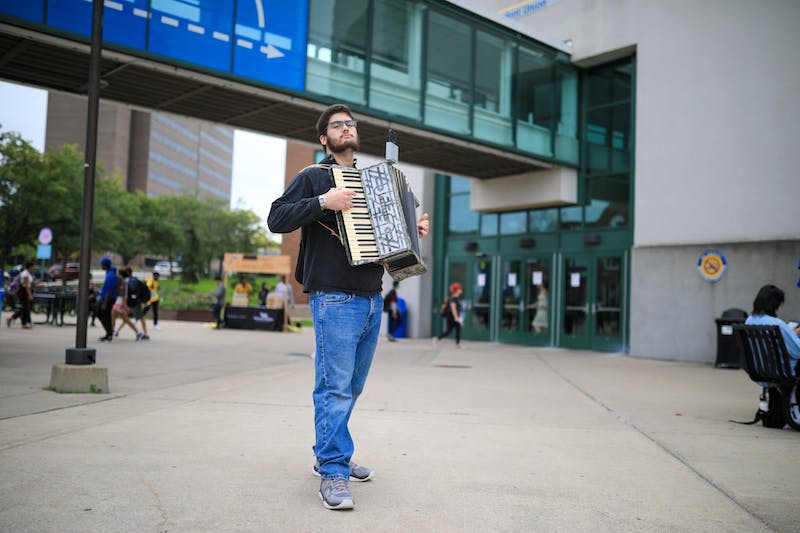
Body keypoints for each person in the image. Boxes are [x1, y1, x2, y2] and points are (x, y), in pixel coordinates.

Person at [268, 103, 430, 510]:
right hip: (334, 296)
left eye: (350, 124)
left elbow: (397, 233)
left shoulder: (377, 181)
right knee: (335, 387)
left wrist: (416, 227)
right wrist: (324, 201)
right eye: (337, 125)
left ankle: (330, 448)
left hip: (372, 297)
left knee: (351, 387)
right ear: (324, 138)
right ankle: (334, 471)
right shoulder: (313, 177)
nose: (346, 128)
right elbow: (276, 218)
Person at [745, 284, 800, 371]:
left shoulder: (749, 321)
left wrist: (791, 334)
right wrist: (794, 335)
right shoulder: (776, 324)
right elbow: (797, 351)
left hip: (760, 371)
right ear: (775, 304)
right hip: (783, 372)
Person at [112, 267, 142, 341]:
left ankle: (109, 334)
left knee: (113, 318)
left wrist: (125, 305)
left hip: (120, 303)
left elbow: (123, 295)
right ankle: (138, 333)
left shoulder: (122, 282)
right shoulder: (125, 281)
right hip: (121, 303)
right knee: (126, 320)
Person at [6, 261, 35, 329]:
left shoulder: (27, 273)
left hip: (24, 291)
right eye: (33, 266)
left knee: (25, 308)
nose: (34, 267)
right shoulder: (25, 274)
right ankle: (22, 323)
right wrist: (30, 295)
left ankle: (17, 321)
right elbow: (26, 286)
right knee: (25, 308)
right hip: (23, 292)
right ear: (30, 266)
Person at [434, 282, 464, 348]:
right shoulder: (453, 299)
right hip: (451, 317)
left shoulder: (457, 298)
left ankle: (457, 344)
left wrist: (459, 317)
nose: (461, 289)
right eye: (459, 288)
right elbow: (453, 309)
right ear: (456, 290)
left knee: (458, 330)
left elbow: (458, 309)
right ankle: (437, 339)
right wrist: (456, 318)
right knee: (449, 331)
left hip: (455, 317)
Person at [123, 267, 149, 341]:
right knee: (125, 316)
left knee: (139, 317)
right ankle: (115, 331)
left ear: (128, 272)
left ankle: (144, 333)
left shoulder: (132, 280)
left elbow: (133, 292)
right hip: (136, 301)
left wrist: (130, 302)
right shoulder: (133, 279)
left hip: (135, 302)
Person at [97, 257, 119, 342]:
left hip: (108, 299)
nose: (100, 266)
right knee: (106, 316)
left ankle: (109, 333)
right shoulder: (109, 273)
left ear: (105, 265)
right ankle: (109, 334)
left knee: (101, 313)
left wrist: (104, 303)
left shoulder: (110, 276)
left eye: (101, 264)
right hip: (108, 298)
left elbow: (109, 291)